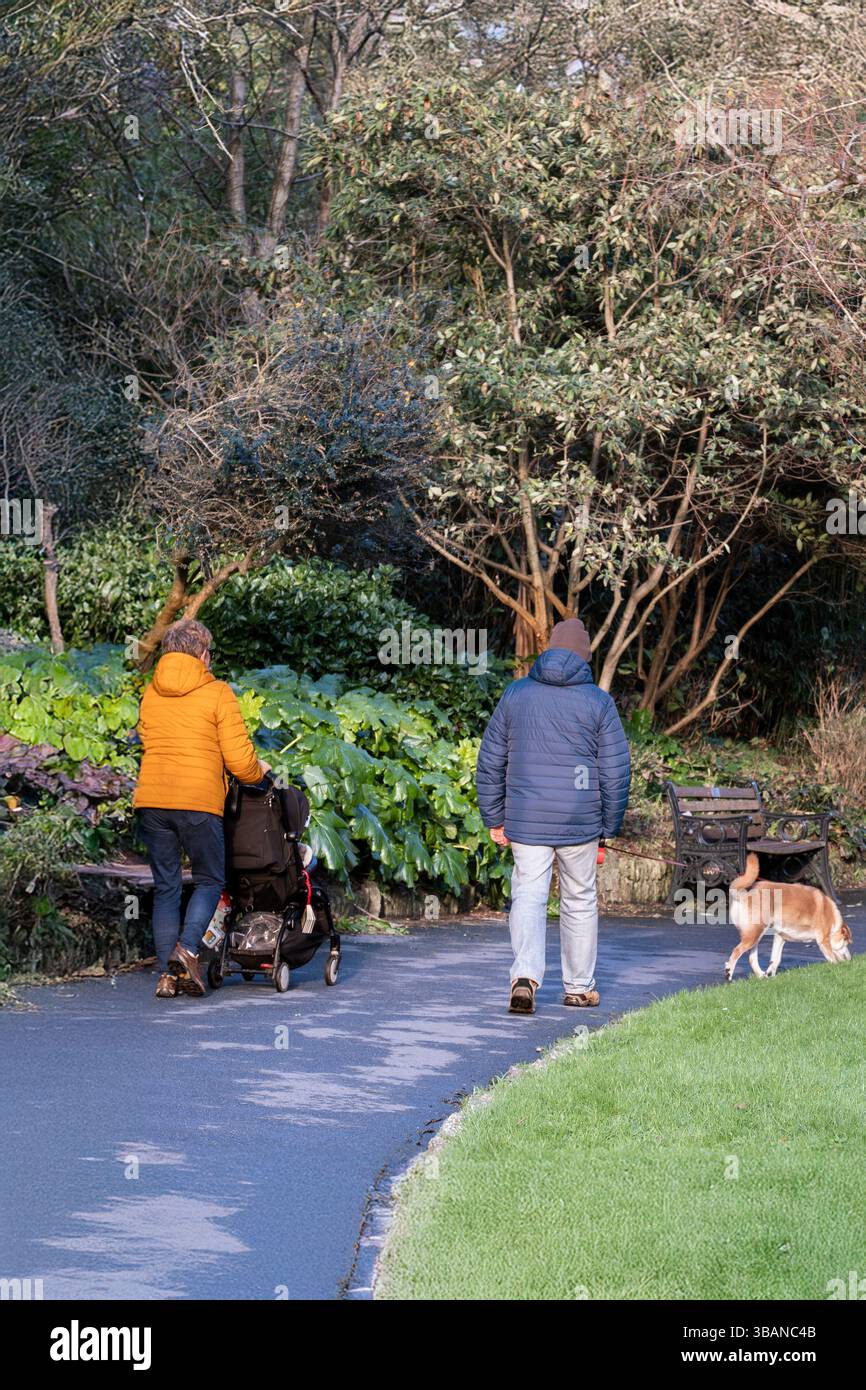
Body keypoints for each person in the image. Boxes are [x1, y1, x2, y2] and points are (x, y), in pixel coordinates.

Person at [476, 618, 630, 1014]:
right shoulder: (598, 702)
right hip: (580, 821)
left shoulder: (516, 694)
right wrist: (608, 826)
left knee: (529, 895)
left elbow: (490, 759)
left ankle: (524, 978)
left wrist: (494, 816)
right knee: (579, 898)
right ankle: (578, 988)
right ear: (584, 655)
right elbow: (615, 771)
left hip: (527, 819)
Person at [133, 618, 268, 999]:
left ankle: (166, 976)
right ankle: (188, 950)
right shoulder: (218, 693)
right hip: (197, 802)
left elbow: (147, 738)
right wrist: (259, 775)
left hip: (152, 801)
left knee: (166, 888)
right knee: (209, 880)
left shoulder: (151, 692)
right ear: (203, 655)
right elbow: (239, 761)